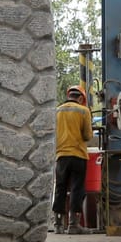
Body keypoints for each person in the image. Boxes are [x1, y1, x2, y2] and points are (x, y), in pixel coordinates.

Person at [52, 85, 92, 234]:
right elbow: (87, 135)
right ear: (81, 98)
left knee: (60, 188)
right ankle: (74, 225)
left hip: (61, 156)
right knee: (77, 189)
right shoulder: (83, 111)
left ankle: (58, 225)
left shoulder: (57, 111)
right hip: (78, 155)